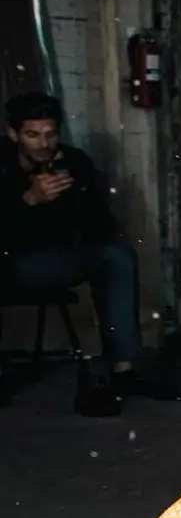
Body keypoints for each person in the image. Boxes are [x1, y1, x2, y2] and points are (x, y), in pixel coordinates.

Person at [3, 91, 145, 414]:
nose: (43, 144)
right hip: (10, 264)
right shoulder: (3, 166)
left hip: (56, 260)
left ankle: (124, 369)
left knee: (118, 256)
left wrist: (72, 200)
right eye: (32, 135)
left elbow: (99, 227)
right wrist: (28, 201)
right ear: (14, 135)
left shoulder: (73, 162)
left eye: (50, 134)